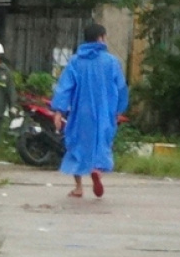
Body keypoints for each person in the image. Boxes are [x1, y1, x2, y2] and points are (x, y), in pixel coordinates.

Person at [54, 21, 128, 198]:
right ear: (101, 38)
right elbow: (121, 88)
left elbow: (65, 87)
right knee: (101, 143)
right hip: (105, 113)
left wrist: (59, 111)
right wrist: (119, 109)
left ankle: (79, 187)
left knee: (76, 146)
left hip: (81, 113)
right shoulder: (111, 62)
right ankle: (97, 170)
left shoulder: (75, 61)